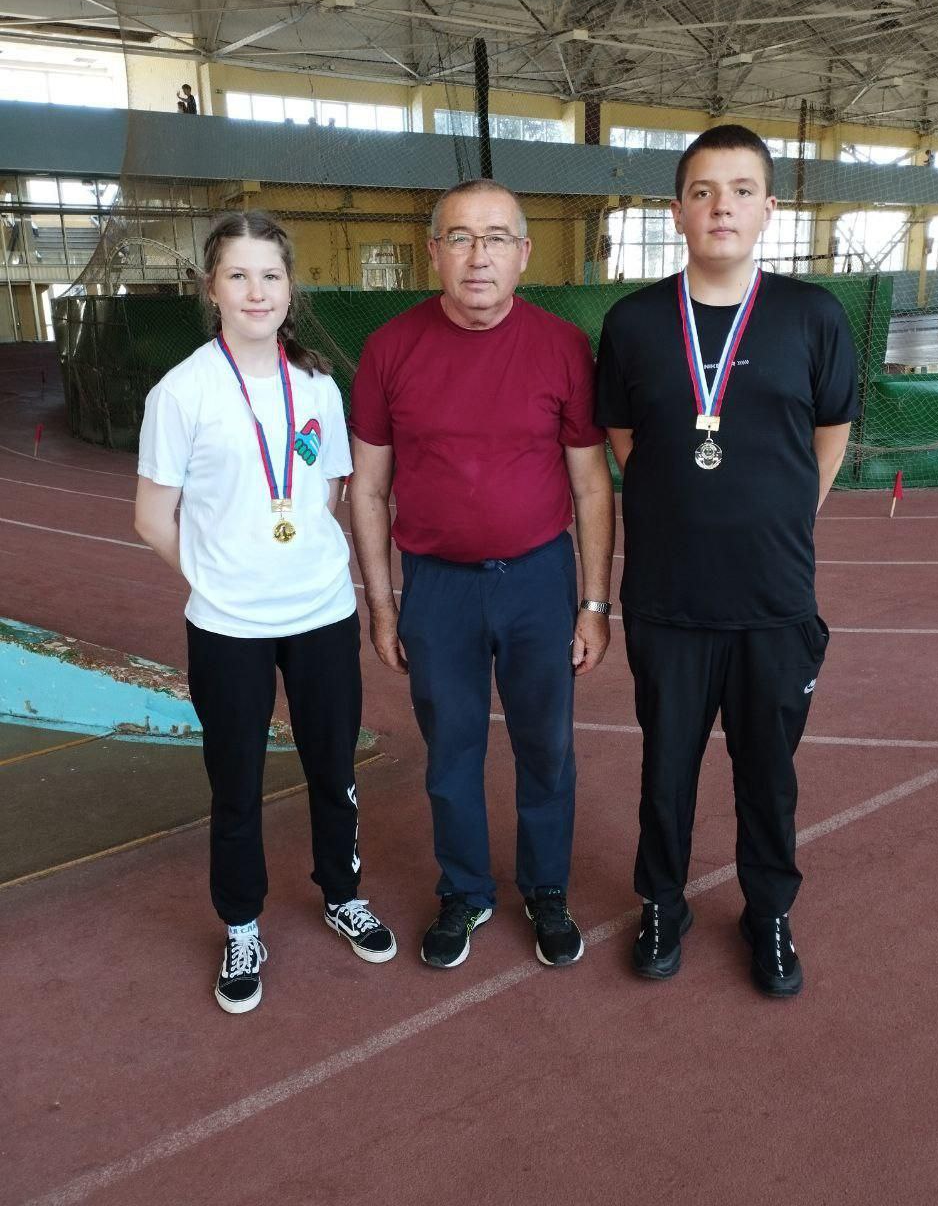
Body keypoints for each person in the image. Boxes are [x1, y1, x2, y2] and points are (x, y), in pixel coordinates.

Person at [595, 125, 858, 997]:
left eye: (742, 190)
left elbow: (830, 436)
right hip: (669, 600)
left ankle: (768, 911)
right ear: (676, 211)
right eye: (703, 191)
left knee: (768, 777)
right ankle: (662, 904)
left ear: (768, 208)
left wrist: (784, 516)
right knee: (665, 771)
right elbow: (626, 441)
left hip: (775, 601)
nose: (722, 207)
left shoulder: (813, 315)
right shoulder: (634, 323)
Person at [135, 210, 395, 1015]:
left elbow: (327, 490)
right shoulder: (182, 392)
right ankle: (242, 923)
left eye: (271, 275)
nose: (257, 291)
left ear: (290, 288)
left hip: (322, 613)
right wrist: (219, 581)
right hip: (229, 627)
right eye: (239, 275)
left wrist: (292, 558)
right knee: (236, 781)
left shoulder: (316, 384)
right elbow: (152, 518)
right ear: (210, 288)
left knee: (333, 765)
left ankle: (342, 892)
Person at [350, 179, 614, 969]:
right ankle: (464, 892)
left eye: (496, 238)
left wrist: (594, 603)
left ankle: (547, 889)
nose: (478, 256)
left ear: (524, 254)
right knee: (451, 754)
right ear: (433, 252)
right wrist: (383, 606)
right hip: (438, 588)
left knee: (547, 748)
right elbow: (368, 488)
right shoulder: (389, 349)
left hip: (539, 581)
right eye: (461, 238)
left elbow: (591, 484)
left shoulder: (563, 346)